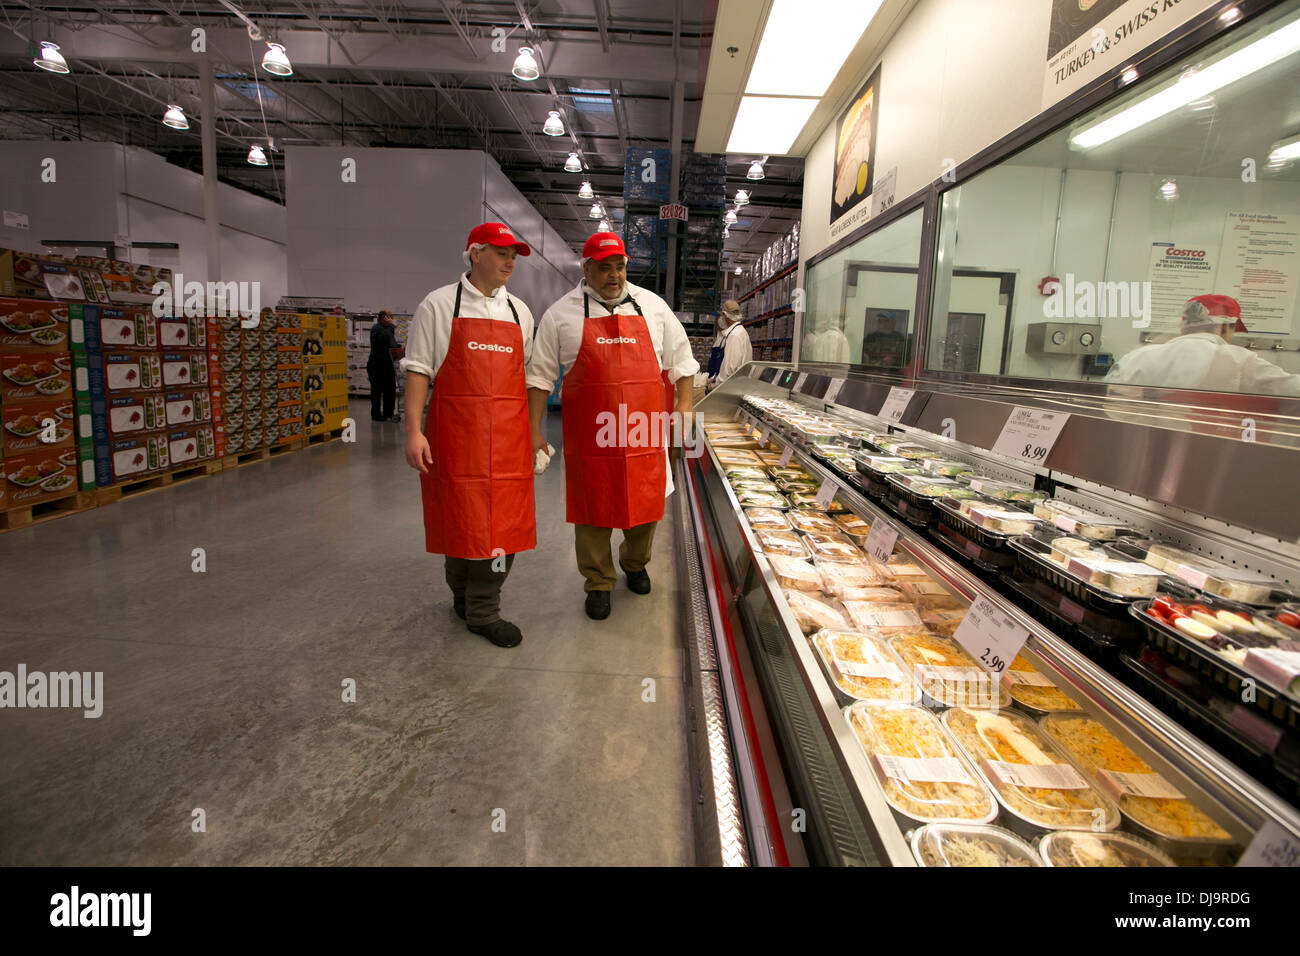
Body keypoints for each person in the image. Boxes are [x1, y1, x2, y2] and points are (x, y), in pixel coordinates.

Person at [526, 232, 699, 621]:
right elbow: (538, 378)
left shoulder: (652, 307)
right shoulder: (560, 315)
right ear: (585, 269)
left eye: (619, 266)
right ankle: (599, 581)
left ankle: (635, 563)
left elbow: (682, 361)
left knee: (646, 506)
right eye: (604, 267)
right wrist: (534, 431)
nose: (614, 275)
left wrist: (684, 406)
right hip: (591, 436)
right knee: (592, 512)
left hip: (644, 430)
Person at [401, 223, 537, 648]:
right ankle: (467, 601)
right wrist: (413, 431)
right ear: (475, 254)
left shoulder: (520, 311)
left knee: (502, 527)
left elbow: (527, 375)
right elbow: (420, 368)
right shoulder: (440, 305)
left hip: (508, 440)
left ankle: (480, 607)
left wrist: (534, 435)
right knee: (462, 520)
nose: (509, 262)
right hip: (457, 436)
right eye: (500, 253)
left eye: (513, 254)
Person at [1106, 294, 1300, 396]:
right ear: (1225, 327)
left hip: (1142, 448)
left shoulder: (1136, 357)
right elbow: (1292, 390)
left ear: (1183, 326)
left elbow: (1110, 402)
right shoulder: (1239, 360)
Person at [705, 298, 752, 388]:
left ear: (725, 315)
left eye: (722, 315)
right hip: (734, 384)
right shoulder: (739, 331)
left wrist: (715, 385)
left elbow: (730, 368)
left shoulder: (734, 335)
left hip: (730, 387)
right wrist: (714, 378)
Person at [367, 309, 399, 421]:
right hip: (376, 365)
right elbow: (387, 339)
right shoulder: (377, 329)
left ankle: (388, 413)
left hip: (387, 365)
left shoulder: (387, 329)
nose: (392, 320)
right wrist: (391, 326)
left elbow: (393, 344)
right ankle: (376, 415)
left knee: (389, 390)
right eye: (390, 317)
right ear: (383, 318)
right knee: (376, 390)